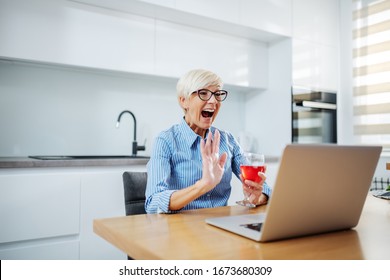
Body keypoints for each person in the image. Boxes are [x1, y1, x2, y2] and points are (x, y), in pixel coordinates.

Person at [145, 69, 271, 214]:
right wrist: (202, 185)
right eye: (203, 93)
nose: (213, 101)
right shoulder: (165, 141)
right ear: (183, 100)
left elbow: (265, 189)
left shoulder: (228, 140)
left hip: (221, 226)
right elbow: (153, 202)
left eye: (217, 94)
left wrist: (257, 198)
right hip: (181, 229)